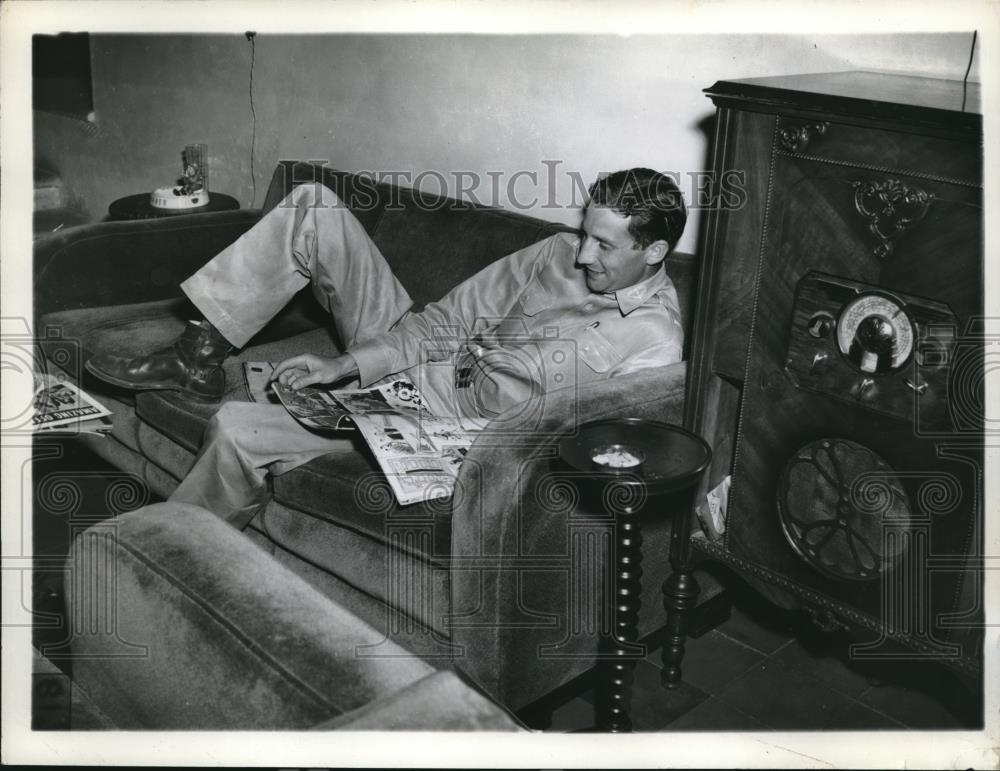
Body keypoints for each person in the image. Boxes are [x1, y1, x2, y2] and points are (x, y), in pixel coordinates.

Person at [86, 167, 687, 525]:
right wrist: (344, 363)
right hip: (418, 359)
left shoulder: (654, 342)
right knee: (314, 204)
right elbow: (443, 322)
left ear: (653, 252)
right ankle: (197, 353)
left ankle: (171, 556)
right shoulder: (553, 253)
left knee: (236, 426)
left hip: (448, 422)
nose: (583, 255)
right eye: (587, 235)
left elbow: (587, 447)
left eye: (605, 246)